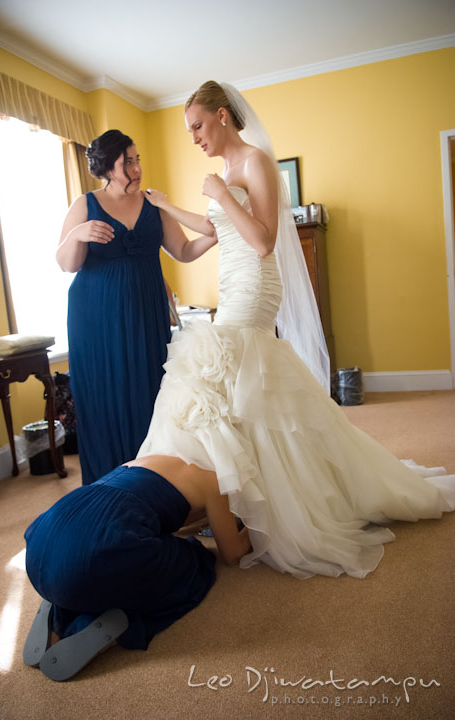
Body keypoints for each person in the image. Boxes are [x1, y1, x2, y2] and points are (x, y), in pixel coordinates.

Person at [138, 80, 455, 580]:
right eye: (189, 130)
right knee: (236, 387)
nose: (194, 137)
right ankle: (235, 498)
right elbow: (212, 228)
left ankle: (256, 502)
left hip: (255, 286)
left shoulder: (256, 162)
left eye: (197, 126)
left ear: (222, 116)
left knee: (223, 375)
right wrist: (164, 206)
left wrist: (223, 193)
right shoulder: (225, 170)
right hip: (233, 284)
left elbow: (263, 241)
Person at [57, 130, 217, 485]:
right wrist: (76, 235)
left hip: (146, 312)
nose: (136, 167)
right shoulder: (84, 204)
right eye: (127, 161)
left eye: (137, 159)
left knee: (152, 390)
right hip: (94, 318)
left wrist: (219, 232)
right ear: (107, 167)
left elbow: (184, 251)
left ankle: (156, 486)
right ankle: (106, 490)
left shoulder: (152, 204)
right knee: (104, 398)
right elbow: (66, 264)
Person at [23, 454, 250, 681]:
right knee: (195, 562)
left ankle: (60, 611)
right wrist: (262, 527)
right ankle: (89, 623)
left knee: (102, 559)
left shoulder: (148, 458)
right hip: (97, 552)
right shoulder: (213, 479)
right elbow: (232, 555)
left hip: (41, 544)